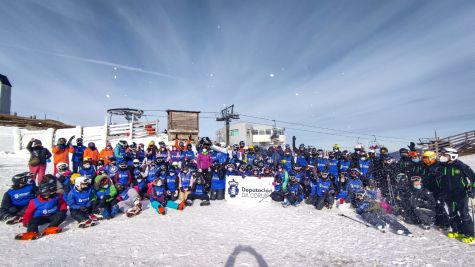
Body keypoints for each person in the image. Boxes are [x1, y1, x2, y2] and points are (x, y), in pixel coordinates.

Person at [439, 148, 475, 244]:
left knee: (464, 214)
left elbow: (473, 178)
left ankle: (470, 235)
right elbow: (440, 181)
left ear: (452, 156)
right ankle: (458, 231)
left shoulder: (461, 166)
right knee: (452, 214)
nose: (442, 157)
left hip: (461, 194)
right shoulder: (442, 166)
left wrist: (473, 189)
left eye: (445, 155)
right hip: (448, 195)